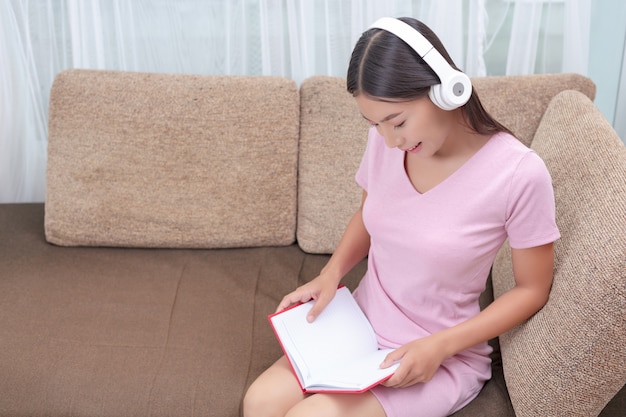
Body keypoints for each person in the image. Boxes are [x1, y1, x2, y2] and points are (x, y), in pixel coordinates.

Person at [243, 16, 559, 417]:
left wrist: (440, 346)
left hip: (438, 352)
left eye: (398, 122)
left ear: (445, 90)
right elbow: (369, 213)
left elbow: (532, 290)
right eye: (375, 125)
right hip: (358, 329)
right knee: (259, 403)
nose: (391, 141)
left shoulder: (519, 174)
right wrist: (331, 273)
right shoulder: (385, 143)